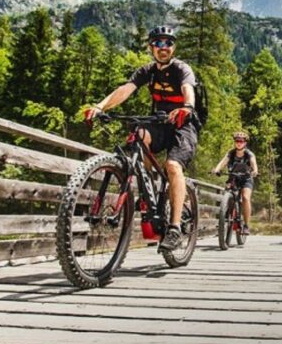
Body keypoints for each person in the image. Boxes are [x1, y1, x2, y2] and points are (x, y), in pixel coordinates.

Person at [83, 26, 199, 252]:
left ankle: (174, 228)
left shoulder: (181, 69)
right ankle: (149, 193)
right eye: (158, 43)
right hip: (159, 123)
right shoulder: (147, 71)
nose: (163, 48)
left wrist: (187, 107)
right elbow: (126, 89)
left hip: (183, 125)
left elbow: (188, 89)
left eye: (167, 43)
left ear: (173, 48)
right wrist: (99, 106)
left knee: (173, 166)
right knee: (139, 136)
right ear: (151, 47)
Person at [212, 131, 258, 235]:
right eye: (237, 141)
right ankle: (224, 221)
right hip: (233, 178)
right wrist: (217, 169)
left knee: (246, 198)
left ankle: (246, 225)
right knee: (227, 195)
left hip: (246, 178)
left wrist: (255, 171)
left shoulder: (249, 154)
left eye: (241, 141)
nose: (239, 143)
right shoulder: (231, 153)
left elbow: (254, 163)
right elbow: (223, 162)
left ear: (245, 143)